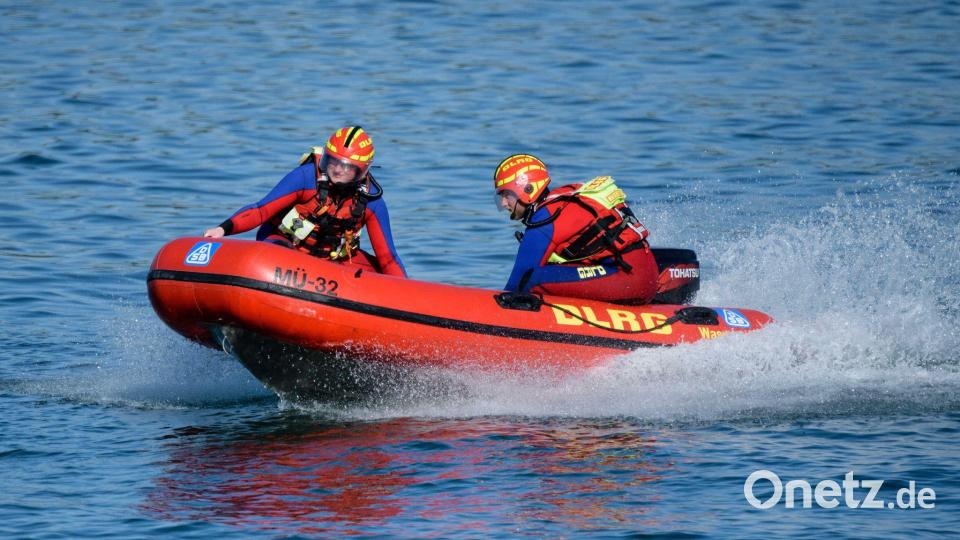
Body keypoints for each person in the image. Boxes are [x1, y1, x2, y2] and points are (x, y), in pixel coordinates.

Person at [204, 126, 406, 277]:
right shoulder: (306, 177)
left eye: (346, 167)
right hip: (283, 243)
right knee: (278, 256)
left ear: (361, 171)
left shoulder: (372, 202)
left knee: (380, 272)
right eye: (333, 161)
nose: (337, 170)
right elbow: (260, 210)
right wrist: (223, 229)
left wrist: (407, 293)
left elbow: (388, 257)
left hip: (330, 259)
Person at [494, 154, 658, 304]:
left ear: (526, 189)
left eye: (506, 195)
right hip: (643, 274)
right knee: (548, 273)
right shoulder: (563, 199)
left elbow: (518, 281)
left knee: (531, 279)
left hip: (628, 278)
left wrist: (494, 309)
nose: (503, 203)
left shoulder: (544, 218)